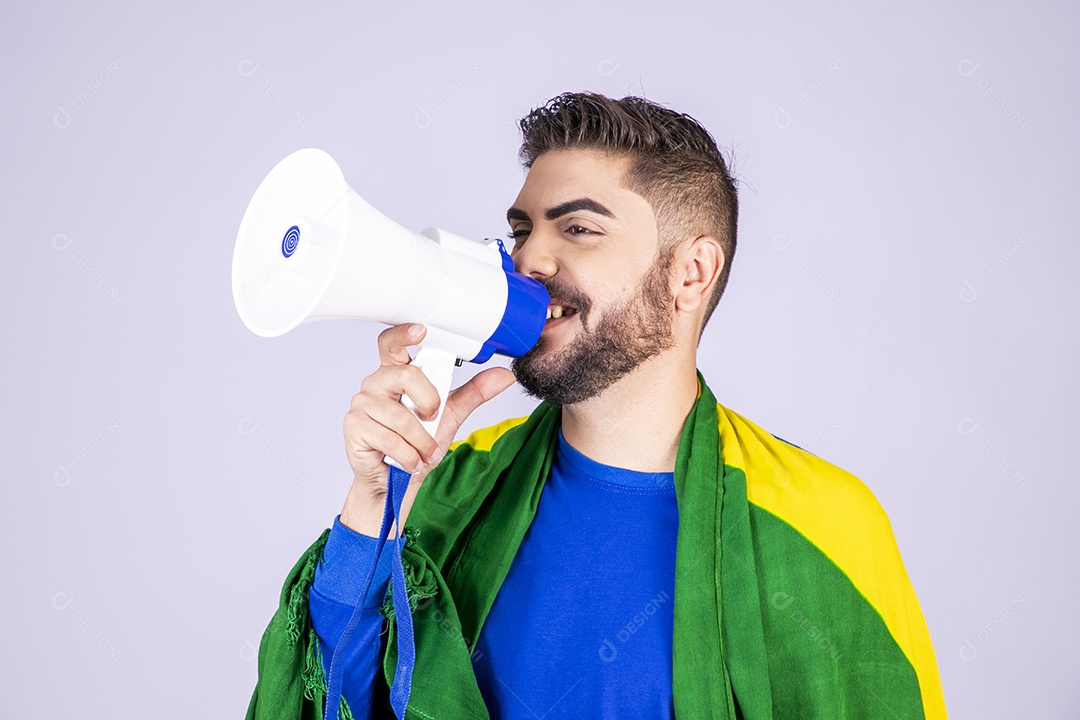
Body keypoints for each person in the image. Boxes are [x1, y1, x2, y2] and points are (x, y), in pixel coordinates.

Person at [245, 92, 947, 719]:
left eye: (576, 228)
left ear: (691, 273)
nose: (529, 261)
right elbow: (340, 696)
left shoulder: (822, 522)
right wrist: (373, 513)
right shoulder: (450, 487)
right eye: (523, 230)